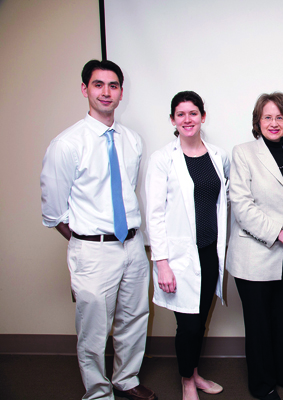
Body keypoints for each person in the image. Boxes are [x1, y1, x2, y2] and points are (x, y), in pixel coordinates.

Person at [40, 60, 155, 400]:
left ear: (121, 92)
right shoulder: (66, 144)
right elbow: (53, 211)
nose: (106, 92)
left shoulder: (132, 141)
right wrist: (86, 241)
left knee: (135, 318)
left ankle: (126, 379)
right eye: (98, 84)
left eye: (113, 85)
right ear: (85, 89)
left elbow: (128, 193)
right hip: (92, 249)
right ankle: (98, 393)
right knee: (93, 330)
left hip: (133, 246)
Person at [145, 91, 229, 400]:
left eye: (193, 113)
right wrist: (162, 262)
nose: (187, 119)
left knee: (201, 320)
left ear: (203, 117)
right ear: (172, 120)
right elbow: (153, 214)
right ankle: (186, 381)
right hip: (178, 258)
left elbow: (222, 203)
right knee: (189, 326)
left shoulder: (218, 156)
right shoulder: (162, 159)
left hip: (209, 253)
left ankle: (195, 373)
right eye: (180, 114)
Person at [226, 92, 283, 400]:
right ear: (258, 122)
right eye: (268, 117)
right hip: (254, 256)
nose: (274, 123)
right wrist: (280, 234)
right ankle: (262, 384)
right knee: (259, 327)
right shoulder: (243, 152)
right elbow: (242, 206)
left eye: (280, 117)